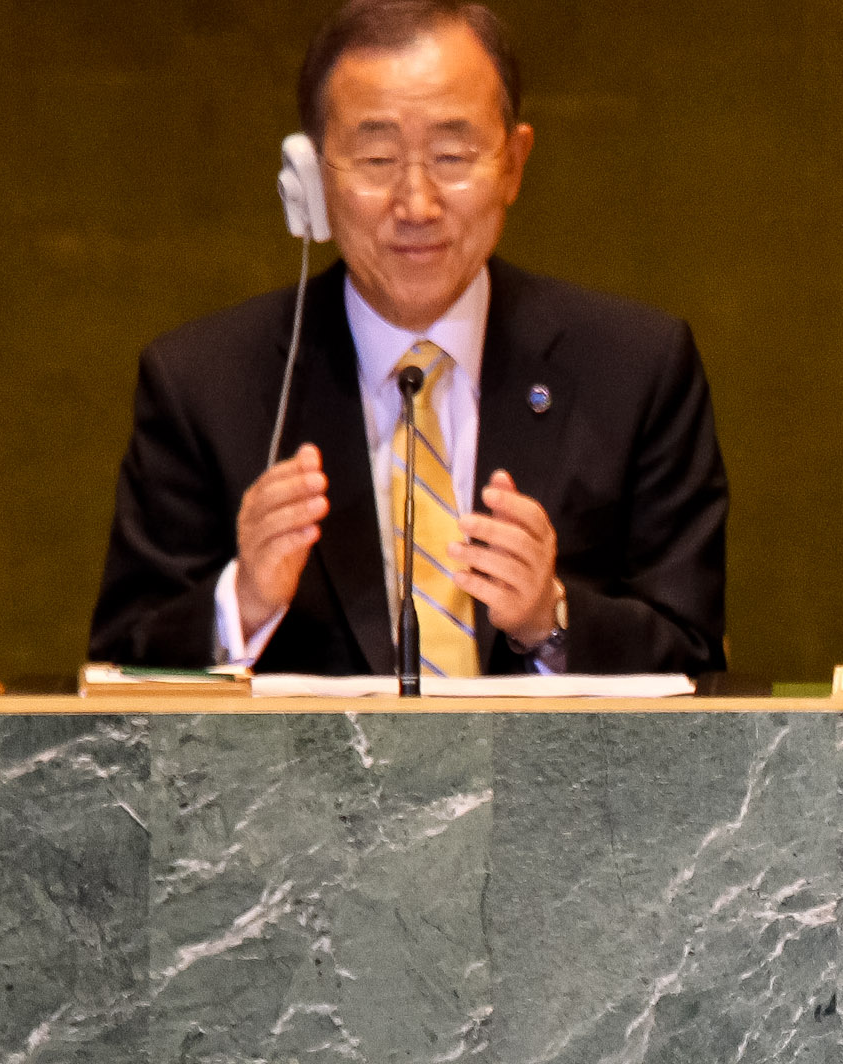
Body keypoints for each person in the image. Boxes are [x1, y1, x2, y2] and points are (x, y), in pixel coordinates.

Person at [90, 1, 726, 677]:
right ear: (310, 178)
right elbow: (116, 672)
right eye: (376, 158)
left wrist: (553, 620)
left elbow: (697, 657)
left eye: (452, 155)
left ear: (514, 163)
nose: (417, 204)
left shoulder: (636, 369)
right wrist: (242, 603)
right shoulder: (204, 384)